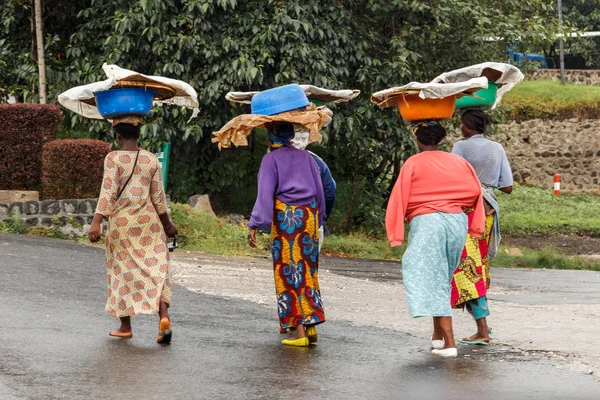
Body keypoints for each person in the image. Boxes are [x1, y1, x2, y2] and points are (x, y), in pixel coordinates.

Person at [386, 122, 485, 358]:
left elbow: (399, 197)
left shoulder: (413, 162)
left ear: (418, 140)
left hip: (428, 222)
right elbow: (475, 192)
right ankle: (438, 335)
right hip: (456, 222)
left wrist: (395, 233)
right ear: (439, 140)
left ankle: (450, 344)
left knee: (430, 277)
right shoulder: (458, 161)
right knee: (443, 277)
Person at [88, 116, 178, 344]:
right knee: (155, 269)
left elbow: (107, 192)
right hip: (149, 224)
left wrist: (97, 221)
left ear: (118, 136)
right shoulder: (150, 159)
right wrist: (167, 225)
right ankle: (164, 317)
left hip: (123, 225)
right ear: (139, 135)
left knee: (122, 272)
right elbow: (158, 197)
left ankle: (125, 326)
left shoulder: (113, 158)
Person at [247, 122, 326, 347]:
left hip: (287, 220)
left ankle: (299, 331)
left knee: (289, 271)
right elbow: (320, 192)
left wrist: (255, 223)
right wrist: (318, 220)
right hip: (309, 216)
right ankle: (310, 326)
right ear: (290, 135)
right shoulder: (307, 158)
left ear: (272, 135)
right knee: (308, 270)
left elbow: (265, 195)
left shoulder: (270, 160)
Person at [450, 110, 513, 346]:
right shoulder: (497, 148)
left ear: (468, 126)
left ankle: (482, 329)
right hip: (489, 212)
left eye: (461, 124)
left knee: (468, 268)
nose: (460, 128)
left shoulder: (460, 147)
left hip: (467, 212)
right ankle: (482, 325)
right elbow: (508, 187)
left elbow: (451, 177)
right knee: (479, 266)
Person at [291, 130, 336, 249]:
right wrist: (323, 217)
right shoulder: (317, 162)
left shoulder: (274, 159)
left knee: (285, 262)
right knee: (309, 263)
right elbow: (330, 191)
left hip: (284, 220)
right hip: (312, 218)